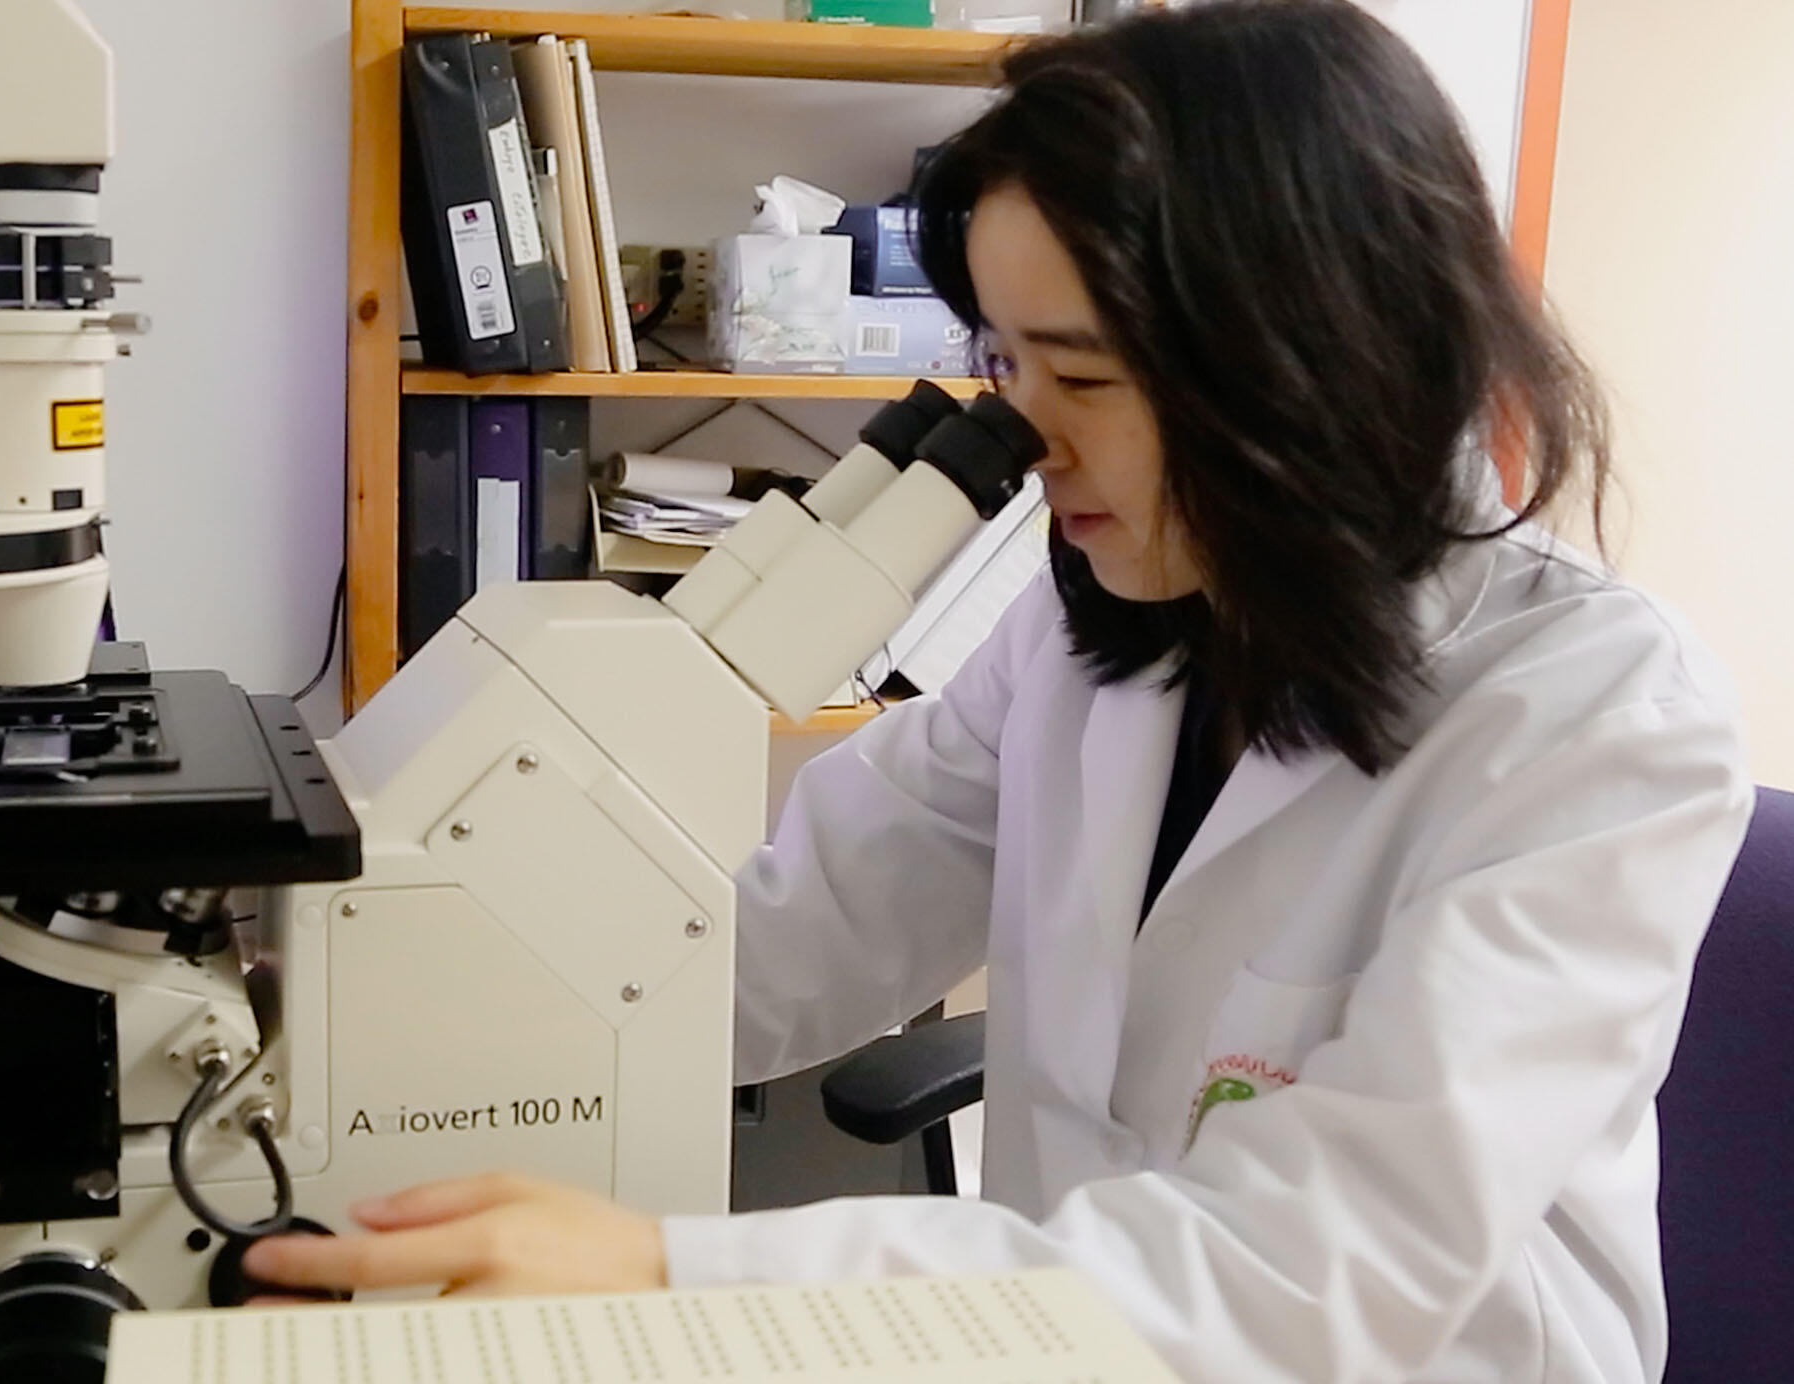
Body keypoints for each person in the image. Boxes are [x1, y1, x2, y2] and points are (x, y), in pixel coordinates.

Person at [247, 2, 1755, 1378]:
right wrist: (339, 1006)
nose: (1028, 444)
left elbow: (1318, 1272)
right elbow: (770, 946)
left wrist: (663, 1275)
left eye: (1082, 379)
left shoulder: (1596, 720)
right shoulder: (1088, 631)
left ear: (1306, 362)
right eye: (1004, 370)